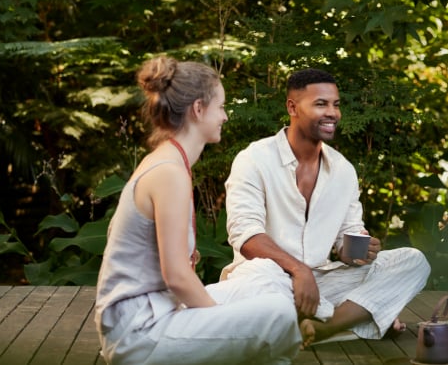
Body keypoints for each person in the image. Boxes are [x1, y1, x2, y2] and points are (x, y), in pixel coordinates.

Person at [95, 57, 300, 364]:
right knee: (279, 314)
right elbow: (177, 276)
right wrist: (224, 323)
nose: (225, 116)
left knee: (268, 276)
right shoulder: (169, 172)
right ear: (198, 109)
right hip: (139, 332)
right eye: (221, 107)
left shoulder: (168, 161)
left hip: (162, 310)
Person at [220, 68, 430, 348]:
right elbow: (245, 236)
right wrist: (298, 271)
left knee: (412, 262)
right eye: (321, 104)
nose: (332, 112)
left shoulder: (343, 170)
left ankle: (323, 328)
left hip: (321, 282)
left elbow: (348, 237)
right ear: (292, 107)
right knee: (260, 287)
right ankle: (361, 318)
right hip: (268, 281)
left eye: (336, 104)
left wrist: (356, 250)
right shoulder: (254, 159)